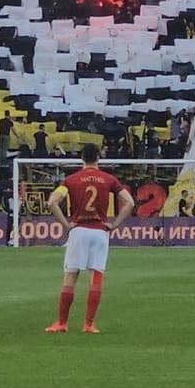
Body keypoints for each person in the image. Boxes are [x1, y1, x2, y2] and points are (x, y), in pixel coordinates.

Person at [44, 143, 133, 335]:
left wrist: (66, 224)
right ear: (98, 158)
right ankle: (89, 324)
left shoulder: (71, 180)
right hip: (100, 232)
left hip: (79, 230)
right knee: (96, 276)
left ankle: (62, 323)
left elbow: (51, 202)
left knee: (70, 275)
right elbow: (130, 202)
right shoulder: (109, 179)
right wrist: (115, 224)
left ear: (82, 158)